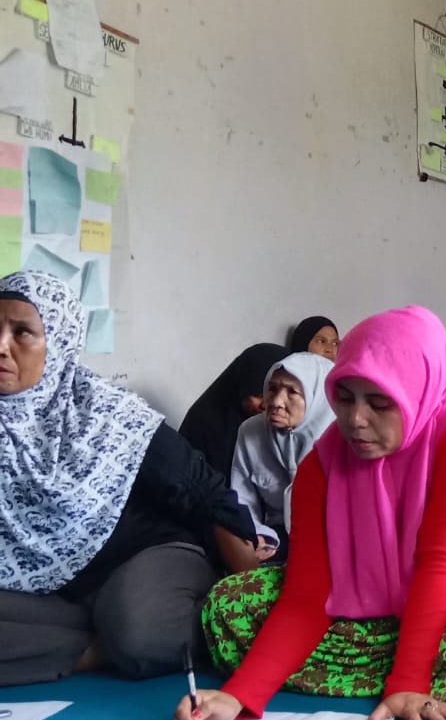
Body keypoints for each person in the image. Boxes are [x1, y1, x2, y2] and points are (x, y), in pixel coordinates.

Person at [175, 306, 446, 720]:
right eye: (344, 398)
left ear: (416, 391)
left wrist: (407, 683)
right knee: (229, 605)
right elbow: (306, 597)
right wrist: (239, 696)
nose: (355, 420)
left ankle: (408, 657)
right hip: (382, 587)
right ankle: (417, 648)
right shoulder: (322, 465)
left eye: (379, 403)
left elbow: (439, 564)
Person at [0, 271, 258, 687]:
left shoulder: (107, 415)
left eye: (22, 333)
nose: (2, 346)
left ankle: (86, 641)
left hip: (145, 557)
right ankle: (94, 647)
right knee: (125, 630)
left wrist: (251, 592)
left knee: (141, 634)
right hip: (51, 590)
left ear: (59, 342)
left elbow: (202, 491)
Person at [229, 351, 336, 562]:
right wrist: (258, 536)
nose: (276, 402)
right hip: (276, 537)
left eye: (292, 392)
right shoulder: (251, 432)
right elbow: (242, 497)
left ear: (316, 397)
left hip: (329, 538)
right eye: (273, 389)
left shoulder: (338, 439)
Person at [179, 343, 291, 474]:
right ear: (240, 385)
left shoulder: (284, 433)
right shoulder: (206, 424)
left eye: (274, 398)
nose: (265, 406)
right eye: (258, 395)